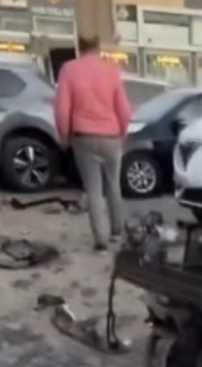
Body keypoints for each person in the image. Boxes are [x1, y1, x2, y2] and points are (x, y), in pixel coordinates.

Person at [54, 35, 131, 252]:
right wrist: (122, 133)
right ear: (98, 46)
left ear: (79, 46)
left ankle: (101, 239)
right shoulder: (111, 69)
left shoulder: (69, 69)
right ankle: (117, 232)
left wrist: (64, 135)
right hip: (111, 136)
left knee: (94, 190)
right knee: (114, 185)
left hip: (84, 137)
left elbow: (62, 109)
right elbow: (124, 109)